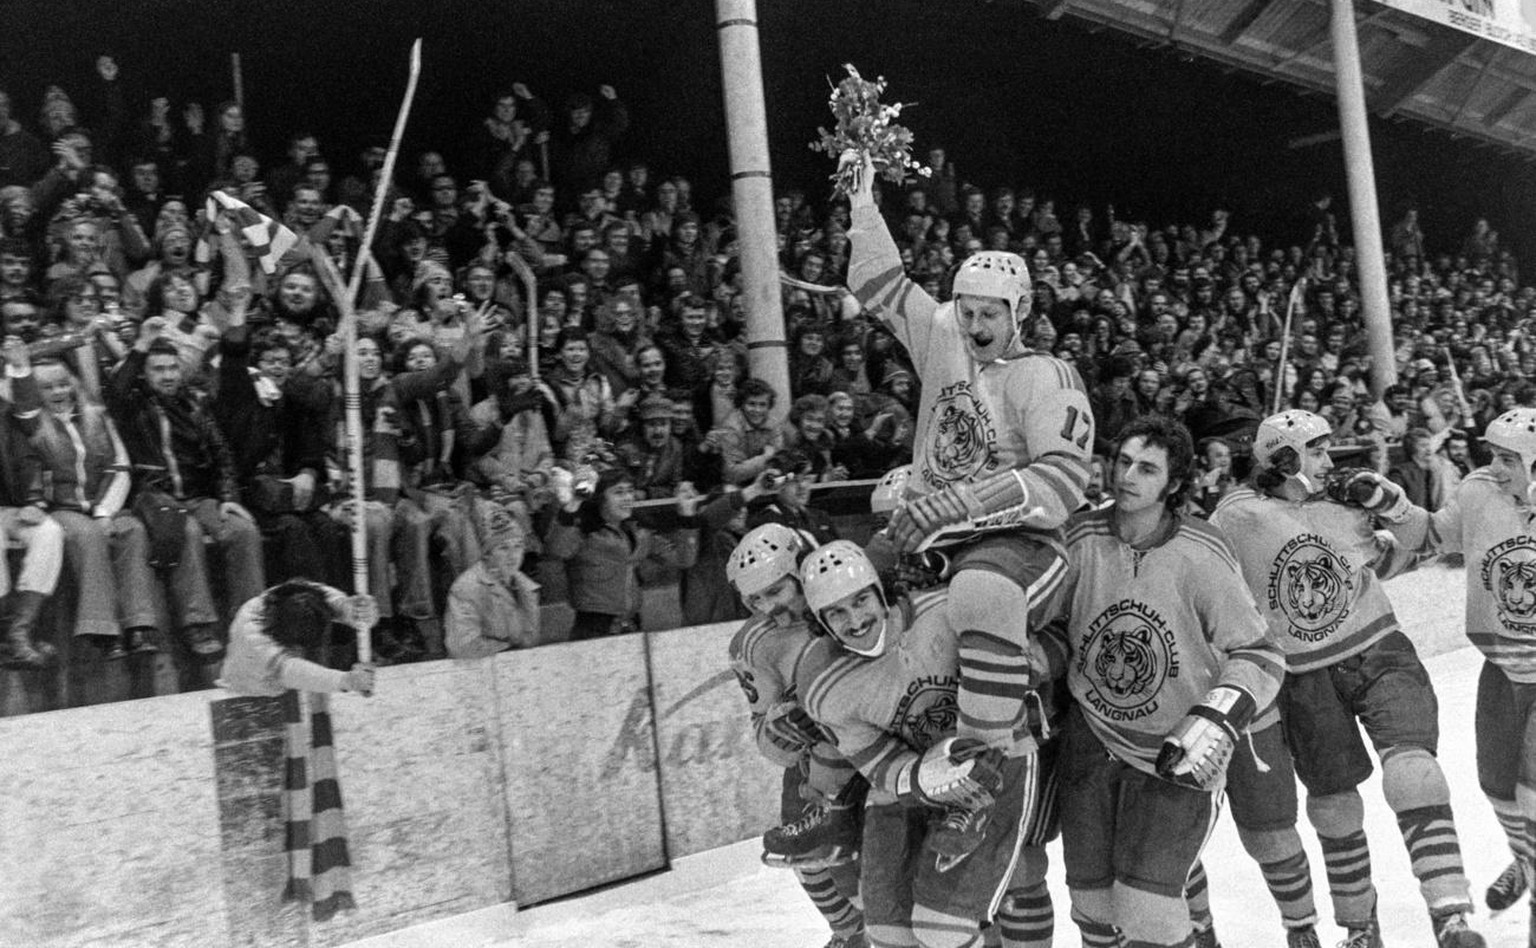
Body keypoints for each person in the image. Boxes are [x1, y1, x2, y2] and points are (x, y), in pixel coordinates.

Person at [844, 151, 1092, 856]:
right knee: (842, 591)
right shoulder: (942, 334)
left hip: (1020, 546)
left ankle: (982, 773)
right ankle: (840, 782)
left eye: (991, 314)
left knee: (981, 590)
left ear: (1020, 313)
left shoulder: (1047, 375)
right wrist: (865, 202)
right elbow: (877, 282)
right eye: (968, 310)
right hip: (930, 536)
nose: (976, 325)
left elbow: (1060, 485)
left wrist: (955, 510)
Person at [1210, 409, 1486, 948]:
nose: (1329, 462)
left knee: (1413, 772)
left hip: (1378, 649)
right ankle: (1360, 927)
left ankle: (1451, 914)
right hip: (1303, 674)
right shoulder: (1237, 517)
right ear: (1283, 458)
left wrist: (1390, 503)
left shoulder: (1343, 504)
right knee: (1333, 803)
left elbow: (1422, 545)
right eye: (1316, 452)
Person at [1047, 415, 1288, 948]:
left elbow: (1262, 654)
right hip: (1091, 742)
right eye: (1123, 461)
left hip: (1173, 751)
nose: (1127, 475)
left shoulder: (1202, 551)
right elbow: (1050, 625)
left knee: (1147, 912)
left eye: (1147, 469)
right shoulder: (1079, 536)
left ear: (1174, 484)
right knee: (1093, 912)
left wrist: (1220, 715)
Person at [797, 540, 1059, 948]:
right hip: (910, 784)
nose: (855, 620)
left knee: (943, 928)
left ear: (880, 592)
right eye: (837, 613)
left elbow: (1036, 641)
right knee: (887, 932)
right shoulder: (824, 684)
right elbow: (877, 761)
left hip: (996, 763)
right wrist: (923, 776)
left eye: (861, 600)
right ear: (821, 622)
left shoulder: (946, 609)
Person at [1403, 409, 1536, 944]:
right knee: (1497, 786)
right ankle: (1526, 862)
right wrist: (1387, 502)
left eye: (1508, 459)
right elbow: (1433, 535)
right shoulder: (1481, 492)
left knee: (1532, 793)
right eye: (1494, 457)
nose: (1495, 468)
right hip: (1502, 671)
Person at [726, 524, 865, 948]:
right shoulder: (752, 645)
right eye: (756, 599)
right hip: (821, 763)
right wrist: (782, 731)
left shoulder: (854, 586)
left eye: (776, 591)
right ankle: (849, 933)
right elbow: (769, 746)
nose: (768, 607)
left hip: (883, 745)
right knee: (808, 858)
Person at [107, 322, 267, 664]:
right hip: (155, 497)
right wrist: (142, 345)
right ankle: (198, 624)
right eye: (158, 369)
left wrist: (229, 499)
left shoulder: (196, 403)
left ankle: (252, 622)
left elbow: (221, 454)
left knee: (243, 530)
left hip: (199, 496)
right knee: (187, 531)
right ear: (144, 374)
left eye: (172, 367)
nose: (166, 375)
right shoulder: (132, 404)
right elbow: (115, 390)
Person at [545, 466, 700, 640]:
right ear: (601, 499)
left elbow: (684, 559)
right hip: (594, 629)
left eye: (630, 491)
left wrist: (687, 515)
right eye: (619, 492)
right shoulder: (584, 532)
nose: (628, 498)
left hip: (632, 625)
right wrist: (574, 502)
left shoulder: (641, 532)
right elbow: (558, 549)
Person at [218, 580, 377, 698]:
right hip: (248, 697)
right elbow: (293, 672)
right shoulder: (253, 640)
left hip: (296, 689)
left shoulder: (286, 595)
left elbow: (325, 596)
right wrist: (347, 680)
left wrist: (351, 610)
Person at [445, 504, 540, 659]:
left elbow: (530, 642)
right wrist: (511, 653)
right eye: (503, 548)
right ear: (488, 554)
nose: (513, 555)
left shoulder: (525, 586)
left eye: (518, 546)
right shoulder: (467, 588)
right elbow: (462, 646)